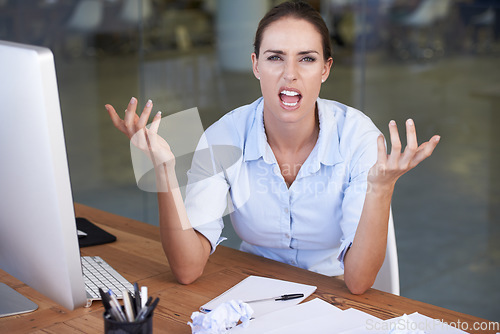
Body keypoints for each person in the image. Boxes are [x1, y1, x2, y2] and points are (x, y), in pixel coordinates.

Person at [106, 1, 440, 295]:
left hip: (333, 291)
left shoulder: (358, 138)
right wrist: (165, 172)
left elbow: (358, 282)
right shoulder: (226, 134)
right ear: (256, 65)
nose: (290, 74)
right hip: (252, 292)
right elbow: (187, 269)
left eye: (307, 59)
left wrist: (381, 189)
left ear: (325, 69)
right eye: (275, 57)